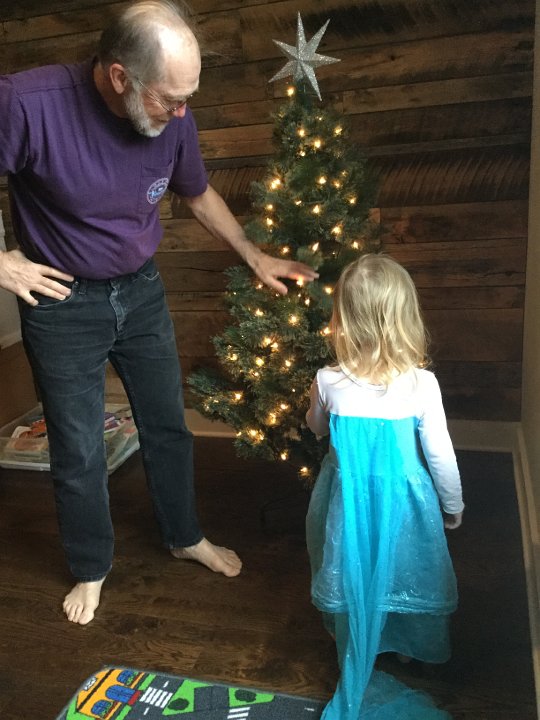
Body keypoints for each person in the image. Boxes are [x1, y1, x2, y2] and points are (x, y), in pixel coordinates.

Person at [0, 0, 318, 626]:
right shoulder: (25, 103)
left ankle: (184, 535)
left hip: (140, 291)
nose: (181, 113)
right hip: (62, 303)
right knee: (79, 448)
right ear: (119, 76)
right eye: (170, 99)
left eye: (187, 98)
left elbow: (195, 192)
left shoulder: (175, 117)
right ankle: (91, 567)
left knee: (168, 426)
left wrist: (254, 255)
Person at [305, 254, 464, 719]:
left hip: (347, 503)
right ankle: (406, 643)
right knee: (402, 567)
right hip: (403, 503)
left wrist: (317, 405)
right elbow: (440, 454)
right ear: (404, 316)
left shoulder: (328, 380)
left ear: (342, 319)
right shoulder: (422, 384)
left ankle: (357, 631)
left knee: (351, 565)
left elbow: (316, 428)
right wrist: (452, 504)